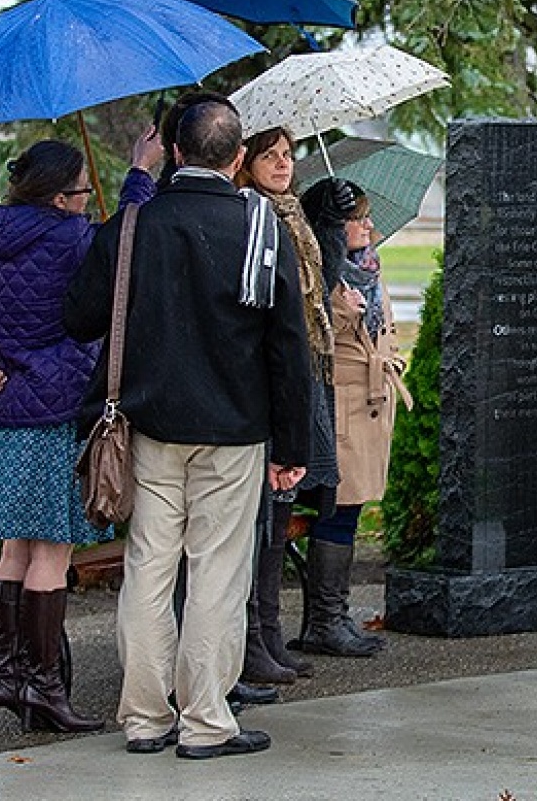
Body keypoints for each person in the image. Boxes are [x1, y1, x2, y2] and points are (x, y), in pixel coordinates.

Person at [64, 97, 316, 760]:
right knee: (217, 575)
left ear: (175, 151)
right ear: (237, 158)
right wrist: (294, 445)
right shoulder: (259, 225)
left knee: (149, 566)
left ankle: (145, 717)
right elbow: (286, 343)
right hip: (234, 427)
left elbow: (79, 317)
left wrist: (114, 237)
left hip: (146, 424)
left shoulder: (134, 223)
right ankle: (205, 720)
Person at [0, 132, 161, 732]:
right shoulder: (71, 239)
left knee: (16, 547)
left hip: (2, 410)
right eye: (80, 192)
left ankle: (11, 680)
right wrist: (139, 173)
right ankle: (43, 686)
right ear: (60, 197)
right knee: (53, 552)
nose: (84, 200)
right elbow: (123, 248)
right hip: (57, 409)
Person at [231, 127, 338, 685]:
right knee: (260, 517)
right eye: (269, 155)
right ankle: (250, 638)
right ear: (245, 161)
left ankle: (269, 632)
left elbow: (317, 289)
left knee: (281, 509)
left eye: (287, 156)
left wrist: (333, 233)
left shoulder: (293, 216)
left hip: (302, 368)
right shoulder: (252, 214)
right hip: (269, 376)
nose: (281, 164)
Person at [301, 176, 410, 657]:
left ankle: (331, 617)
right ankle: (325, 620)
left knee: (352, 509)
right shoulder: (320, 273)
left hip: (372, 403)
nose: (368, 226)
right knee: (337, 508)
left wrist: (395, 357)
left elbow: (386, 327)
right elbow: (311, 338)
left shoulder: (368, 267)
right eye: (356, 219)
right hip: (342, 403)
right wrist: (338, 309)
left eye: (367, 217)